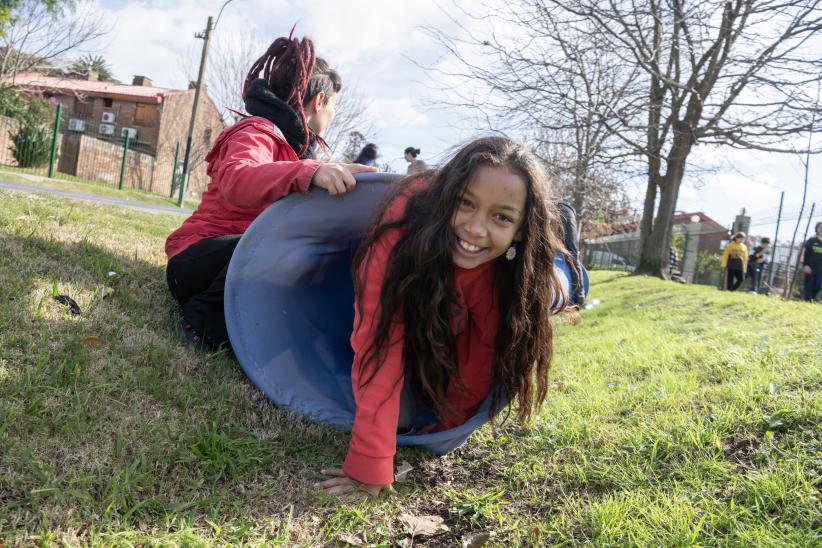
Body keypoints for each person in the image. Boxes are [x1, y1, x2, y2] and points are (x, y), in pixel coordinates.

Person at [316, 136, 568, 496]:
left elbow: (482, 357)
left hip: (453, 314)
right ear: (447, 194)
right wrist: (370, 464)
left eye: (501, 217)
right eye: (465, 203)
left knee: (558, 288)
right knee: (394, 415)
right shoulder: (403, 221)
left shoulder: (505, 276)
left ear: (520, 230)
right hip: (398, 301)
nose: (476, 228)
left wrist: (446, 427)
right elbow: (379, 340)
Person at [164, 32, 377, 350]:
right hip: (195, 261)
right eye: (333, 107)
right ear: (318, 102)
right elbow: (239, 178)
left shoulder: (296, 152)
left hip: (237, 264)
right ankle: (201, 323)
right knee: (277, 250)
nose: (332, 116)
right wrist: (312, 172)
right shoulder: (257, 131)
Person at [802, 221, 822, 302]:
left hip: (820, 269)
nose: (821, 229)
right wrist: (805, 265)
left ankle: (812, 298)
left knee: (818, 286)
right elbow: (805, 254)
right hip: (810, 267)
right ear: (816, 229)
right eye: (820, 227)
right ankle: (807, 300)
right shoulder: (811, 240)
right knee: (809, 285)